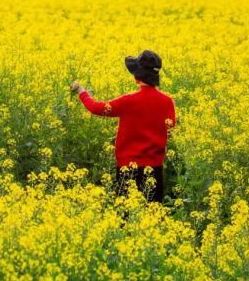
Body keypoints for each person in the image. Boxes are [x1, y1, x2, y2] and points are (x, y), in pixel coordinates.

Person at [71, 50, 176, 203]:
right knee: (153, 216)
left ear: (136, 76)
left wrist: (81, 91)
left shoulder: (128, 101)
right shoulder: (167, 102)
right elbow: (171, 128)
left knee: (126, 217)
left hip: (128, 169)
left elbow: (96, 108)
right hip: (155, 169)